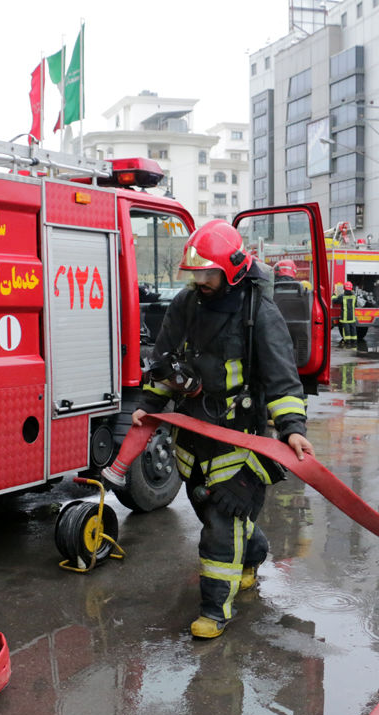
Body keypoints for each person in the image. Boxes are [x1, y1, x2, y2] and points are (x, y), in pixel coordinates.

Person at [131, 219, 314, 639]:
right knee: (214, 515)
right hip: (191, 438)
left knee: (220, 526)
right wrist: (150, 404)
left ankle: (215, 610)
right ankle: (254, 554)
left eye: (207, 272)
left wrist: (292, 427)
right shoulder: (185, 304)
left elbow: (283, 378)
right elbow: (164, 360)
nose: (199, 280)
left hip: (238, 443)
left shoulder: (259, 313)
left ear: (231, 270)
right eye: (195, 273)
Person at [339, 280, 357, 348]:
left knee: (346, 331)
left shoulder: (342, 296)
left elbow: (334, 300)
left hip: (345, 318)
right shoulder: (354, 296)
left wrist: (334, 295)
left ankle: (348, 342)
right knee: (353, 330)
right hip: (352, 317)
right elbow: (355, 304)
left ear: (344, 288)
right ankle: (354, 342)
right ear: (351, 288)